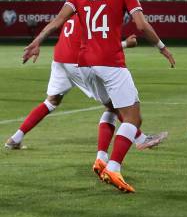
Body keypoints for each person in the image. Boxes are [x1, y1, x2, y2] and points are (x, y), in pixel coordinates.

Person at [22, 0, 176, 193]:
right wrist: (162, 48)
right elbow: (141, 25)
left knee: (112, 108)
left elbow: (57, 22)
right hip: (110, 61)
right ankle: (114, 167)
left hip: (84, 64)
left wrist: (37, 41)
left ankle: (102, 157)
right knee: (133, 117)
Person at [5, 17, 167, 151]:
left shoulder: (74, 12)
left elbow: (59, 25)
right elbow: (99, 47)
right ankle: (140, 139)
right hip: (78, 61)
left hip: (60, 58)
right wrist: (126, 44)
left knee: (52, 100)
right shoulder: (92, 14)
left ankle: (16, 138)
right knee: (114, 105)